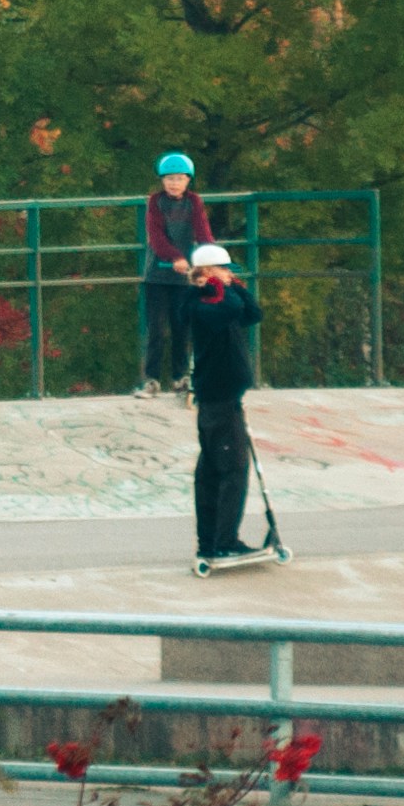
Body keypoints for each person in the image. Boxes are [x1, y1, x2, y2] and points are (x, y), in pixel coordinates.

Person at [181, 242, 269, 565]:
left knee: (213, 471)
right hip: (217, 399)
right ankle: (223, 541)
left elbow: (252, 313)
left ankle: (213, 540)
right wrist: (220, 288)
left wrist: (237, 287)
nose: (228, 275)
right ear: (204, 273)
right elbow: (228, 310)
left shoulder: (218, 298)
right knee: (230, 470)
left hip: (226, 398)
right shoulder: (200, 303)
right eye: (222, 269)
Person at [138, 153, 215, 396]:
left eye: (179, 179)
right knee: (157, 330)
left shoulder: (194, 202)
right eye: (169, 178)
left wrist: (209, 260)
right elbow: (157, 236)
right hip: (157, 276)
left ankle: (180, 377)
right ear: (162, 181)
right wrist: (175, 257)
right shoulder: (155, 202)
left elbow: (203, 232)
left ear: (187, 180)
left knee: (182, 327)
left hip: (183, 278)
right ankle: (151, 380)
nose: (174, 183)